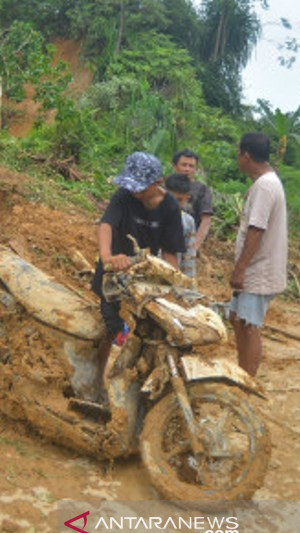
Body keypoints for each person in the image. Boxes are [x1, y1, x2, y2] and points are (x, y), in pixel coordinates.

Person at [89, 152, 186, 402]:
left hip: (143, 278)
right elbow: (106, 225)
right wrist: (108, 256)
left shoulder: (170, 208)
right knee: (111, 330)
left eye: (140, 188)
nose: (135, 193)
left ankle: (140, 392)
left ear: (158, 183)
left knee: (148, 335)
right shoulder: (123, 196)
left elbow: (171, 253)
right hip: (113, 275)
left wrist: (169, 286)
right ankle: (98, 386)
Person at [229, 132, 287, 377]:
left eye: (239, 154)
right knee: (237, 319)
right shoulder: (266, 183)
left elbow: (256, 230)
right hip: (256, 267)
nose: (238, 159)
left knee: (249, 326)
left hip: (258, 269)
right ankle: (243, 373)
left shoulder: (265, 186)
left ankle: (247, 382)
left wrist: (241, 268)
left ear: (246, 155)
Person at [172, 149, 213, 252]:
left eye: (191, 166)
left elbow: (206, 219)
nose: (187, 169)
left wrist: (194, 246)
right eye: (184, 165)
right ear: (174, 166)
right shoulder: (164, 187)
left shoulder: (202, 190)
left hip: (189, 241)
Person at [165, 173, 197, 278]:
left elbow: (189, 255)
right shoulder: (152, 215)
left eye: (178, 199)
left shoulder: (188, 221)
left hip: (174, 275)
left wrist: (189, 282)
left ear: (186, 198)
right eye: (170, 198)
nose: (173, 203)